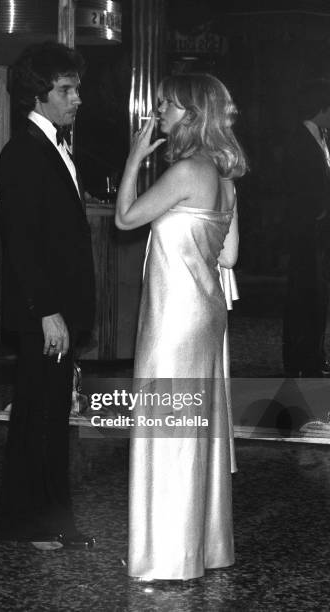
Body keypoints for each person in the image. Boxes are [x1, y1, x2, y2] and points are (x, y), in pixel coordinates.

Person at [116, 73, 246, 580]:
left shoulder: (188, 170)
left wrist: (134, 158)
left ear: (190, 114)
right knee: (197, 428)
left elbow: (125, 218)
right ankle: (205, 547)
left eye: (166, 105)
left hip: (173, 319)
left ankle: (168, 556)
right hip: (206, 316)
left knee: (168, 426)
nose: (158, 114)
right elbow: (230, 255)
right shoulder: (224, 175)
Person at [0, 42, 95, 551]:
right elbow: (22, 244)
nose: (77, 97)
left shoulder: (52, 145)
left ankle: (51, 520)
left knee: (51, 417)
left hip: (57, 310)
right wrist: (47, 311)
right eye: (66, 89)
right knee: (39, 417)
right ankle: (32, 523)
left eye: (76, 87)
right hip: (45, 313)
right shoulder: (24, 152)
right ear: (39, 96)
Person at [282, 78, 330, 377]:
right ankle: (301, 359)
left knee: (317, 295)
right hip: (305, 231)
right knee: (303, 295)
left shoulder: (321, 138)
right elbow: (296, 188)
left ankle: (313, 354)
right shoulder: (298, 140)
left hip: (319, 232)